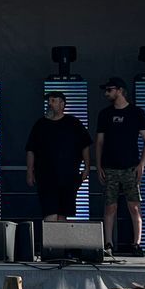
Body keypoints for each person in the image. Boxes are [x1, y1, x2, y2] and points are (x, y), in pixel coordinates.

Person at [95, 76, 145, 255]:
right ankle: (108, 244)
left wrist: (141, 163)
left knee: (134, 206)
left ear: (120, 90)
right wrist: (99, 166)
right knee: (110, 206)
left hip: (130, 166)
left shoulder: (136, 112)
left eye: (110, 90)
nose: (107, 93)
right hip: (110, 167)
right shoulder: (105, 114)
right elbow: (99, 142)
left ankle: (137, 244)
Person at [24, 90, 91, 222]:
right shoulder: (40, 124)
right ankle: (50, 242)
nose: (50, 104)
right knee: (50, 212)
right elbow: (31, 149)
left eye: (53, 101)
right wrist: (29, 171)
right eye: (48, 101)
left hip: (68, 176)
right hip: (45, 176)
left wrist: (87, 167)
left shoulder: (73, 123)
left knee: (63, 214)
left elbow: (85, 145)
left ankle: (61, 242)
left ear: (62, 104)